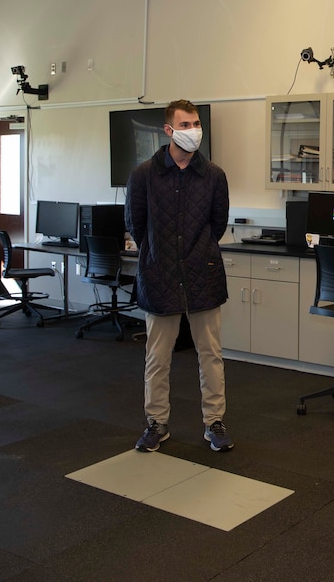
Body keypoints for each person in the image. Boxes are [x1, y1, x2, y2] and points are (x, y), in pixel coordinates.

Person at [126, 99, 234, 453]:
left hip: (202, 273)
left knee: (210, 355)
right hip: (160, 274)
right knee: (158, 356)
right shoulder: (144, 174)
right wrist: (159, 254)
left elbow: (216, 225)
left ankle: (213, 422)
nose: (193, 131)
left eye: (196, 123)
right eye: (185, 125)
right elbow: (136, 225)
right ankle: (156, 423)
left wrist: (195, 252)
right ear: (169, 130)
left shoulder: (214, 175)